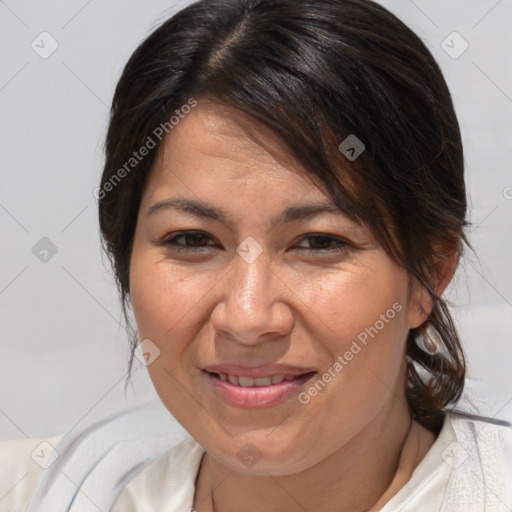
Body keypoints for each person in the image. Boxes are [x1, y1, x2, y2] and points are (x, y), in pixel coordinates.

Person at [1, 0, 511, 511]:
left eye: (318, 242)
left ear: (429, 274)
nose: (247, 318)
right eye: (192, 239)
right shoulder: (58, 490)